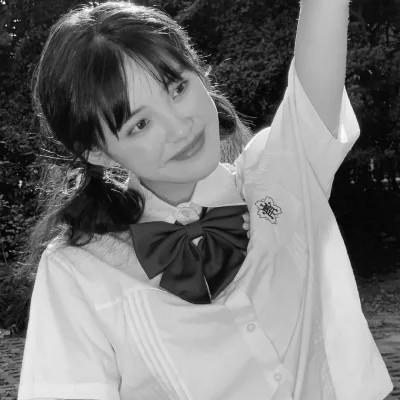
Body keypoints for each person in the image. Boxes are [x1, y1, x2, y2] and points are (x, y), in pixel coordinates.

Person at [17, 1, 393, 399]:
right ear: (98, 153)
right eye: (140, 124)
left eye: (178, 89)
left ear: (201, 73)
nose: (180, 127)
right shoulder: (79, 271)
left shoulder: (278, 178)